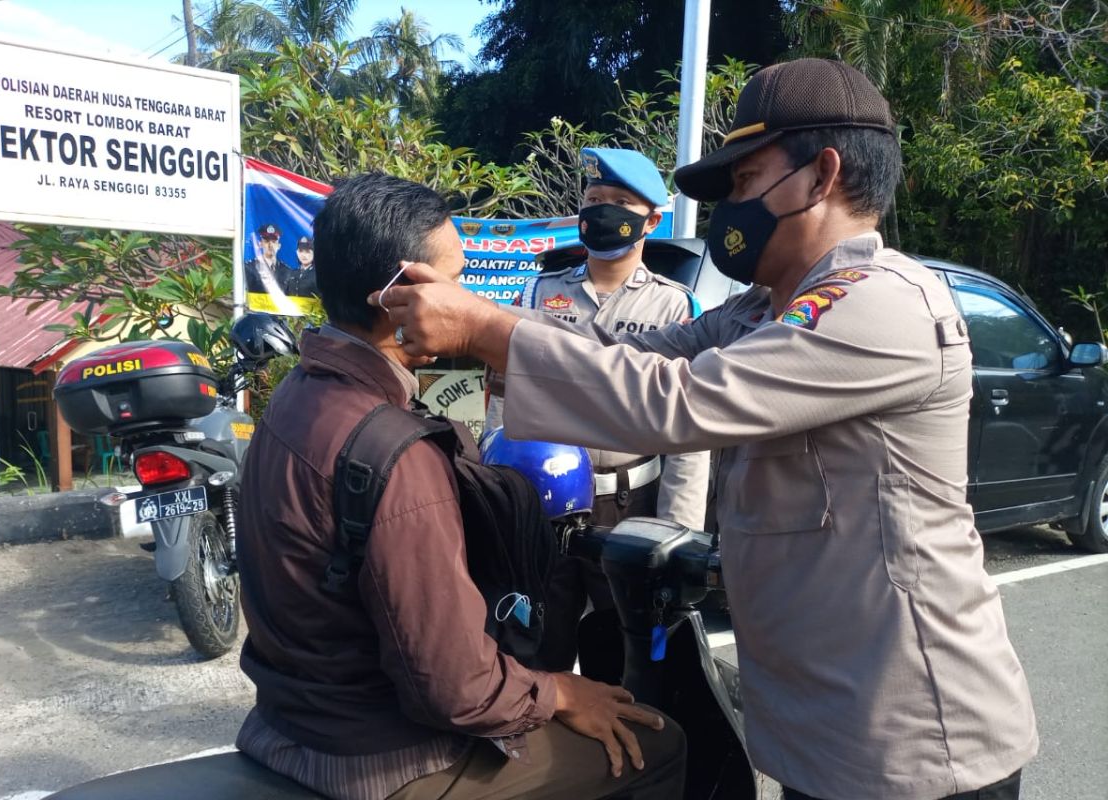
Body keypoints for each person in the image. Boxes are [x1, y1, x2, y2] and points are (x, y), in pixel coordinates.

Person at [373, 58, 1038, 800]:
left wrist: (489, 330)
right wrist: (483, 333)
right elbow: (628, 355)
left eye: (745, 182)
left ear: (821, 176)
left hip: (915, 738)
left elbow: (680, 400)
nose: (731, 208)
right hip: (828, 726)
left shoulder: (880, 305)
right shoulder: (762, 309)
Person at [233, 172, 686, 800]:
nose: (472, 301)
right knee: (660, 745)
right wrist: (559, 691)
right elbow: (456, 687)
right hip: (384, 756)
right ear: (402, 296)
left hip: (292, 721)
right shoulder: (397, 454)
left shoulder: (293, 400)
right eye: (458, 281)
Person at [486, 147, 711, 679]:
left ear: (652, 220)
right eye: (593, 200)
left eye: (619, 202)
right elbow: (504, 401)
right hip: (548, 502)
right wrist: (500, 494)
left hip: (633, 504)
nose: (602, 211)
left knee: (631, 658)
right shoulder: (540, 292)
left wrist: (677, 531)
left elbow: (690, 430)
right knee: (536, 647)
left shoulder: (674, 307)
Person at [243, 222, 301, 315]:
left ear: (279, 246)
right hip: (256, 318)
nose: (270, 245)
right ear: (260, 244)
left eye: (274, 241)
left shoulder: (287, 271)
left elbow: (291, 300)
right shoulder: (248, 268)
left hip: (280, 321)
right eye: (266, 241)